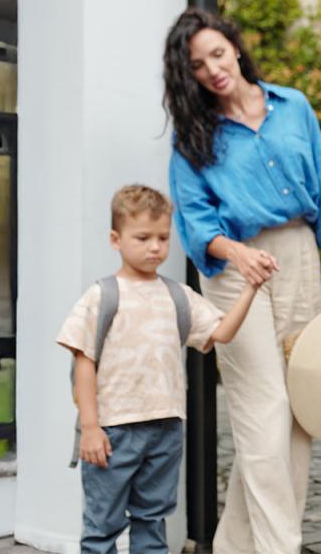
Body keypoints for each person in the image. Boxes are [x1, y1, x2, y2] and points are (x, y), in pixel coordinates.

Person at [163, 8, 321, 553]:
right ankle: (279, 547)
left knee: (298, 410)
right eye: (197, 65)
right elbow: (195, 223)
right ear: (188, 75)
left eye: (217, 54)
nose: (212, 69)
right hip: (231, 270)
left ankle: (236, 545)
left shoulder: (293, 107)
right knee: (262, 413)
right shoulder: (194, 138)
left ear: (235, 49)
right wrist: (239, 254)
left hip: (297, 258)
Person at [58, 185, 261, 554]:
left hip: (166, 427)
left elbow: (221, 333)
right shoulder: (102, 296)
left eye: (163, 238)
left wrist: (250, 288)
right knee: (102, 527)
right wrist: (89, 427)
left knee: (152, 523)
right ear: (115, 239)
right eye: (143, 238)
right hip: (113, 430)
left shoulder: (177, 295)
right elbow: (83, 360)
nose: (155, 247)